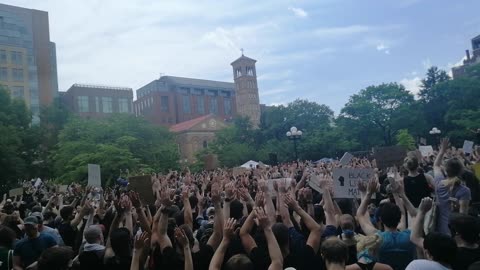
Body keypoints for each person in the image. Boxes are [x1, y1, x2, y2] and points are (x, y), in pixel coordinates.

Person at [356, 177, 416, 270]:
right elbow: (413, 215)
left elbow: (361, 215)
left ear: (381, 219)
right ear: (399, 218)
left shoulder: (376, 239)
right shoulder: (409, 236)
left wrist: (367, 193)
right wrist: (400, 194)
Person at [433, 138, 472, 235]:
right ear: (461, 171)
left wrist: (442, 150)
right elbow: (463, 215)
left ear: (445, 170)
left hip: (441, 228)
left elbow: (436, 165)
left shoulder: (439, 183)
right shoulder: (465, 190)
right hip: (456, 232)